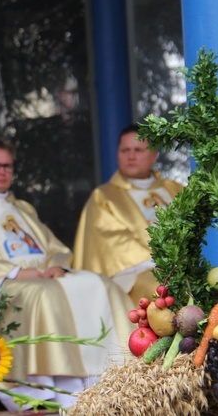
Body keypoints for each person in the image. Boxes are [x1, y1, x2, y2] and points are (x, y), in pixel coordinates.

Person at [0, 136, 133, 409]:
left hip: (43, 275)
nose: (2, 172)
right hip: (7, 280)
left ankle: (114, 374)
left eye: (8, 166)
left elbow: (51, 245)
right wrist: (15, 272)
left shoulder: (21, 207)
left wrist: (56, 264)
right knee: (45, 295)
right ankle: (56, 391)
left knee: (102, 284)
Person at [71, 124, 183, 305]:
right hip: (134, 272)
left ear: (154, 154)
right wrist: (163, 262)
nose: (131, 156)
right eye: (125, 150)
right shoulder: (104, 197)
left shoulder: (174, 189)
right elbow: (111, 244)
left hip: (184, 264)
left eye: (138, 150)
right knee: (162, 288)